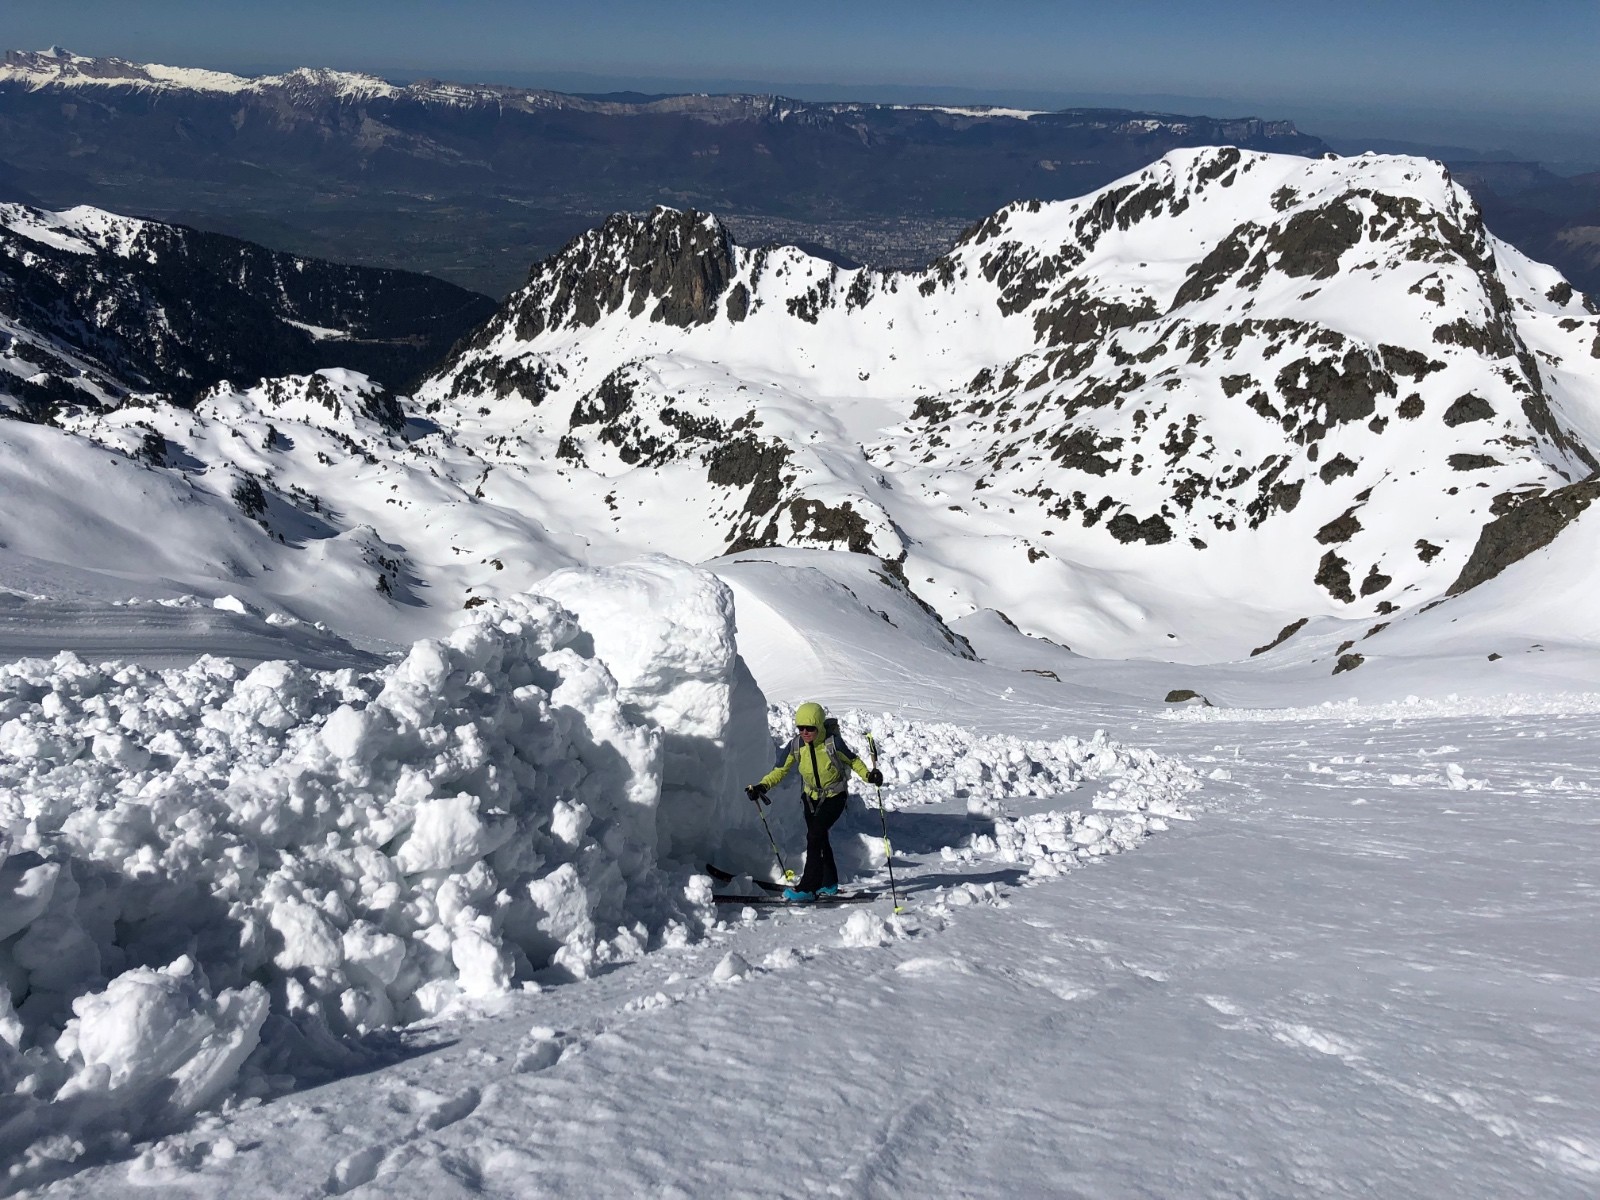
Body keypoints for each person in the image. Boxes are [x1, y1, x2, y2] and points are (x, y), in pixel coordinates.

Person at [745, 701, 882, 902]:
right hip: (810, 799)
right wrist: (762, 786)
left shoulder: (832, 743)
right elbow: (780, 770)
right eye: (801, 728)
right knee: (819, 838)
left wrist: (870, 776)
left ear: (819, 726)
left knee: (815, 836)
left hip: (835, 796)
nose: (805, 732)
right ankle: (829, 883)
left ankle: (808, 887)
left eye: (810, 728)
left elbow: (852, 761)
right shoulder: (796, 745)